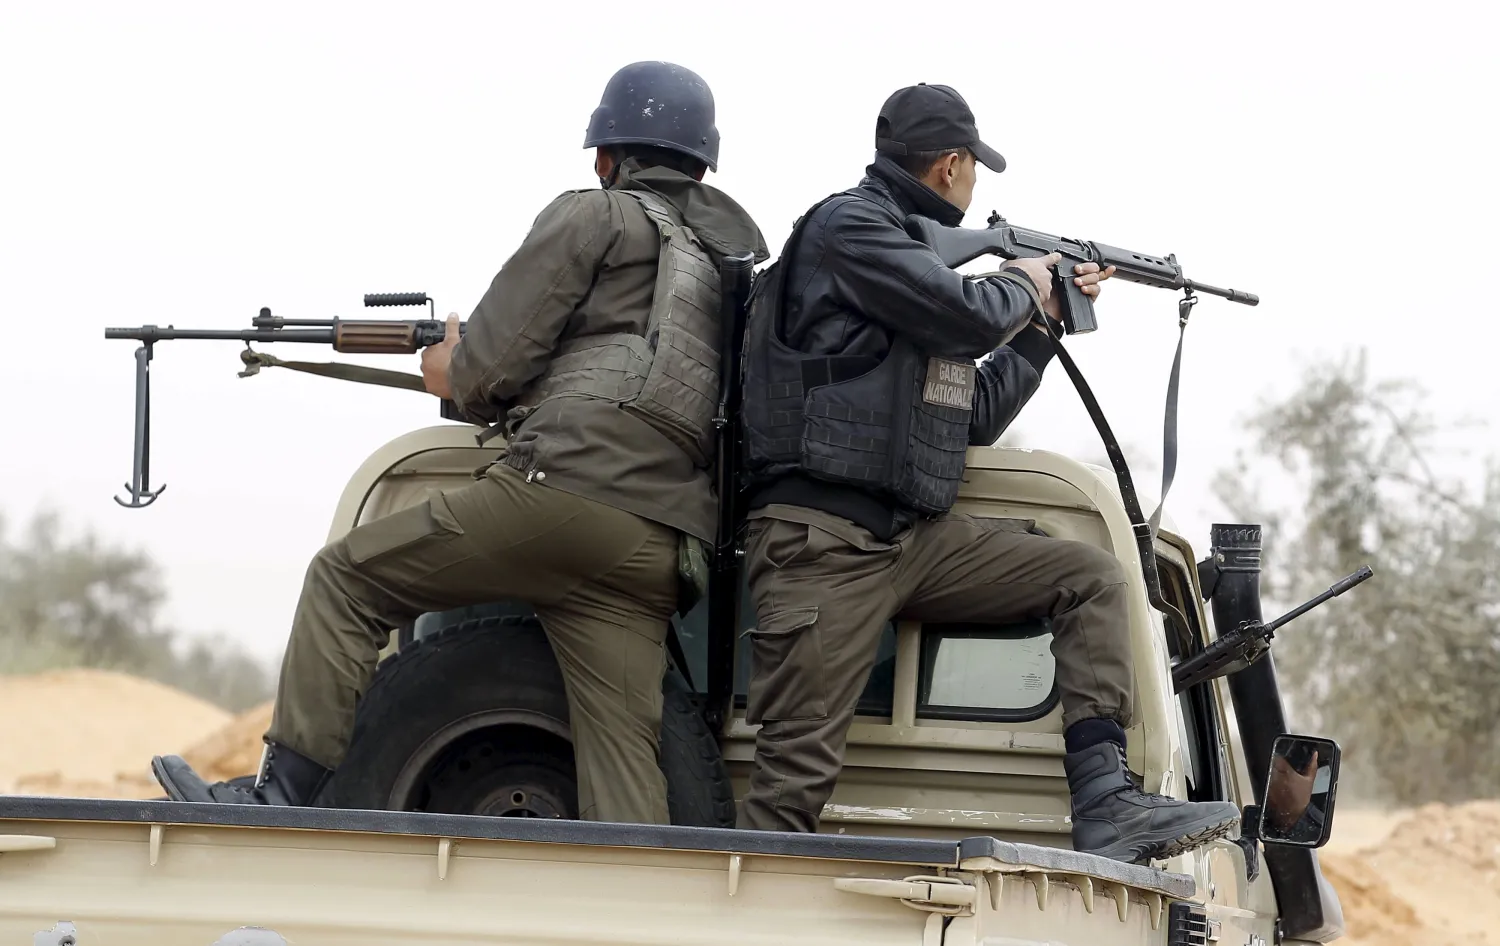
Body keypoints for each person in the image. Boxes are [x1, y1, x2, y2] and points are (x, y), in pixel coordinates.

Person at [148, 61, 768, 826]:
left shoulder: (594, 216)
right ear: (699, 165)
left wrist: (448, 366)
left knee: (345, 579)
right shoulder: (720, 270)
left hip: (565, 497)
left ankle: (276, 797)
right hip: (655, 546)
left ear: (606, 156)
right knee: (623, 763)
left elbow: (485, 375)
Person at [735, 82, 1242, 863]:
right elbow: (966, 312)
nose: (975, 187)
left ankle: (1109, 802)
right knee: (789, 787)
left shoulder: (907, 273)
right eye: (974, 169)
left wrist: (1043, 323)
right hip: (824, 543)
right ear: (950, 166)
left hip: (911, 538)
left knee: (1091, 577)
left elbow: (969, 415)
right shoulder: (851, 227)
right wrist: (1027, 278)